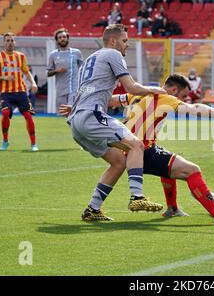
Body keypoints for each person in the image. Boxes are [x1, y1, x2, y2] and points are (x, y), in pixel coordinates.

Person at [60, 74, 214, 225]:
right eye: (181, 95)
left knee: (166, 162)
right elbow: (194, 108)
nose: (181, 100)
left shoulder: (140, 94)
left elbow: (110, 100)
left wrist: (78, 107)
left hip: (124, 146)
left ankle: (171, 208)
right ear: (173, 90)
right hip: (141, 151)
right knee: (192, 170)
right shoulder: (165, 97)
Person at [66, 24, 167, 220]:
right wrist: (155, 90)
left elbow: (101, 96)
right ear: (113, 41)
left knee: (118, 162)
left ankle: (92, 210)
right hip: (91, 116)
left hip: (77, 121)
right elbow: (132, 87)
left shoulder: (90, 59)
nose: (126, 45)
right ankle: (137, 196)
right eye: (124, 41)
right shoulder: (113, 55)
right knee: (136, 145)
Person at [0, 32, 39, 151]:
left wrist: (33, 83)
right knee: (6, 113)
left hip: (20, 91)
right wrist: (5, 78)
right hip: (5, 92)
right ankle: (5, 141)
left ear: (15, 42)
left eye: (12, 40)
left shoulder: (21, 56)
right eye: (7, 40)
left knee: (28, 115)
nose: (10, 43)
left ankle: (34, 144)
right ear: (4, 42)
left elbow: (27, 72)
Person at [47, 28, 84, 112]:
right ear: (57, 40)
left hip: (74, 89)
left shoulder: (76, 52)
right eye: (60, 37)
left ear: (67, 38)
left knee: (73, 112)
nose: (62, 39)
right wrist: (57, 71)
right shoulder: (53, 55)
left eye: (64, 37)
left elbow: (83, 68)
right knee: (62, 113)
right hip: (60, 89)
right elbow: (48, 72)